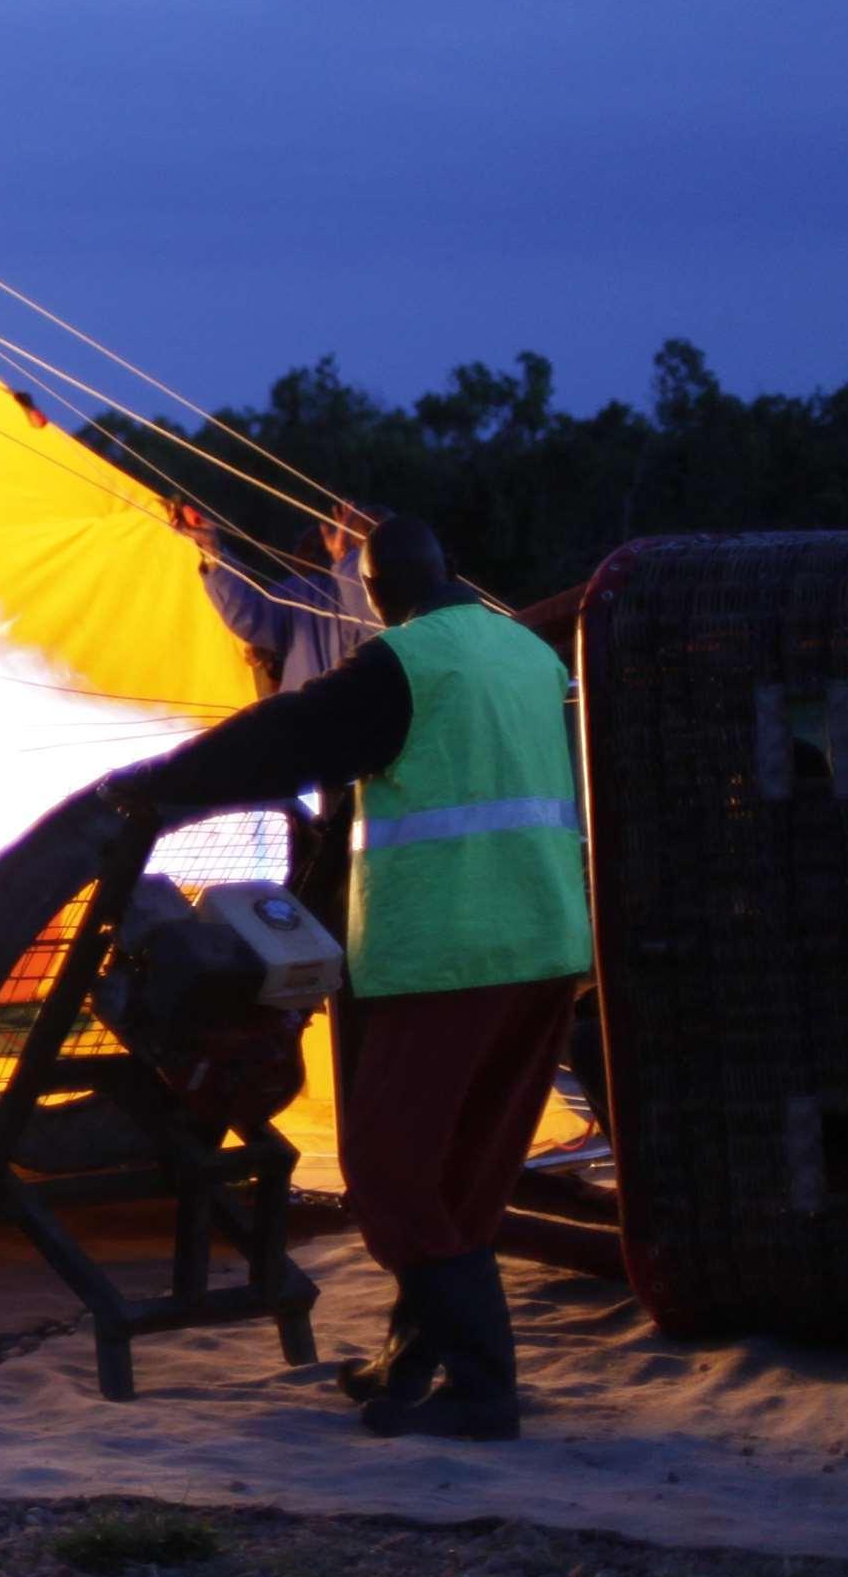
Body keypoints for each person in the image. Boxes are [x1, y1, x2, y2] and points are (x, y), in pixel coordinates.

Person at [110, 513, 591, 1440]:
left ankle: (486, 1389)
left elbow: (287, 737)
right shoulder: (525, 653)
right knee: (464, 1171)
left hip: (450, 947)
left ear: (375, 593)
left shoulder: (407, 664)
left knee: (392, 1172)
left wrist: (158, 781)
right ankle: (418, 1356)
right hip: (544, 943)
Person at [181, 502, 380, 694]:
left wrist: (346, 562)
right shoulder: (308, 593)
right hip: (297, 724)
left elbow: (376, 626)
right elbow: (248, 616)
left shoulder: (401, 611)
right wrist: (212, 551)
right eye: (369, 535)